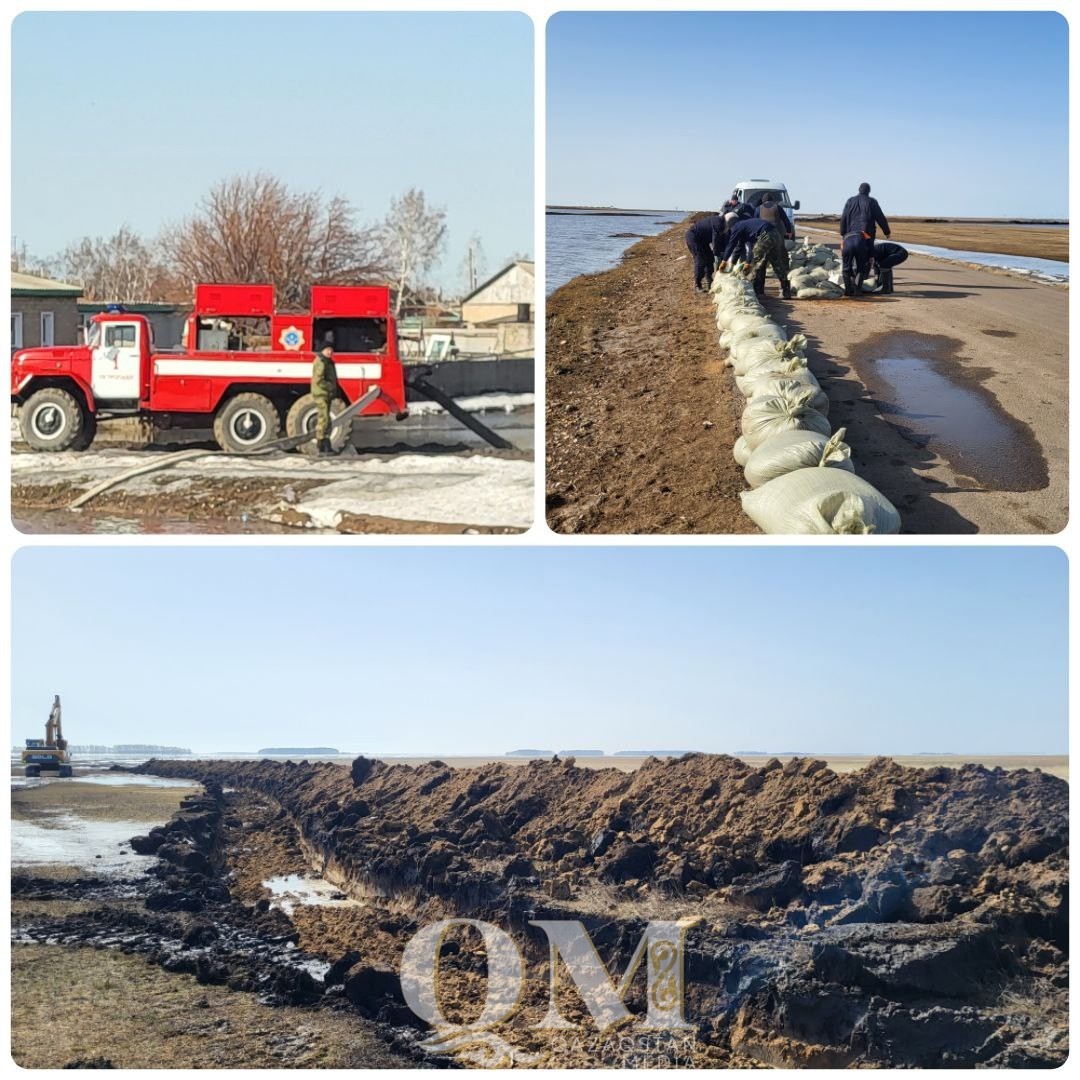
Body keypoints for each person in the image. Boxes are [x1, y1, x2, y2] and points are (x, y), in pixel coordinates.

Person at [718, 217, 791, 299]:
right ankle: (786, 290)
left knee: (755, 263)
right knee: (776, 263)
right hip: (775, 233)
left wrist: (724, 261)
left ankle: (751, 291)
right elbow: (743, 248)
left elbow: (731, 245)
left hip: (765, 234)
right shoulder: (748, 228)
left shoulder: (737, 227)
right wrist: (743, 262)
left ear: (731, 225)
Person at [840, 182, 891, 296]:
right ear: (869, 191)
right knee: (863, 263)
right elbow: (880, 217)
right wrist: (886, 232)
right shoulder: (872, 201)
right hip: (866, 236)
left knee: (846, 266)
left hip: (849, 235)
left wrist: (843, 232)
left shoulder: (850, 201)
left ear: (859, 190)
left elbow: (843, 217)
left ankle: (848, 290)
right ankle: (858, 289)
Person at [684, 213, 727, 291]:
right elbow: (715, 240)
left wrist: (723, 254)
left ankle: (709, 280)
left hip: (703, 240)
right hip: (693, 238)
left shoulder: (723, 224)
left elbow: (723, 241)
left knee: (710, 259)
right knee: (700, 260)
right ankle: (697, 284)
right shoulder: (718, 222)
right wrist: (717, 255)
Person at [757, 193, 793, 285]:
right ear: (772, 200)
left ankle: (759, 290)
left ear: (763, 200)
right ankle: (786, 290)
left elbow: (755, 222)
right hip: (777, 236)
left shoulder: (759, 208)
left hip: (764, 236)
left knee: (761, 263)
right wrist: (789, 231)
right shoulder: (778, 207)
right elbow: (786, 221)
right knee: (780, 261)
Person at [311, 341, 339, 455]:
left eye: (331, 349)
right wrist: (329, 386)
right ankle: (322, 445)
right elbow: (318, 380)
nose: (330, 351)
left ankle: (325, 444)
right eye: (327, 349)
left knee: (326, 418)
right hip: (321, 393)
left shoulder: (328, 362)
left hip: (326, 393)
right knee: (324, 418)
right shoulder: (321, 362)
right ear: (322, 350)